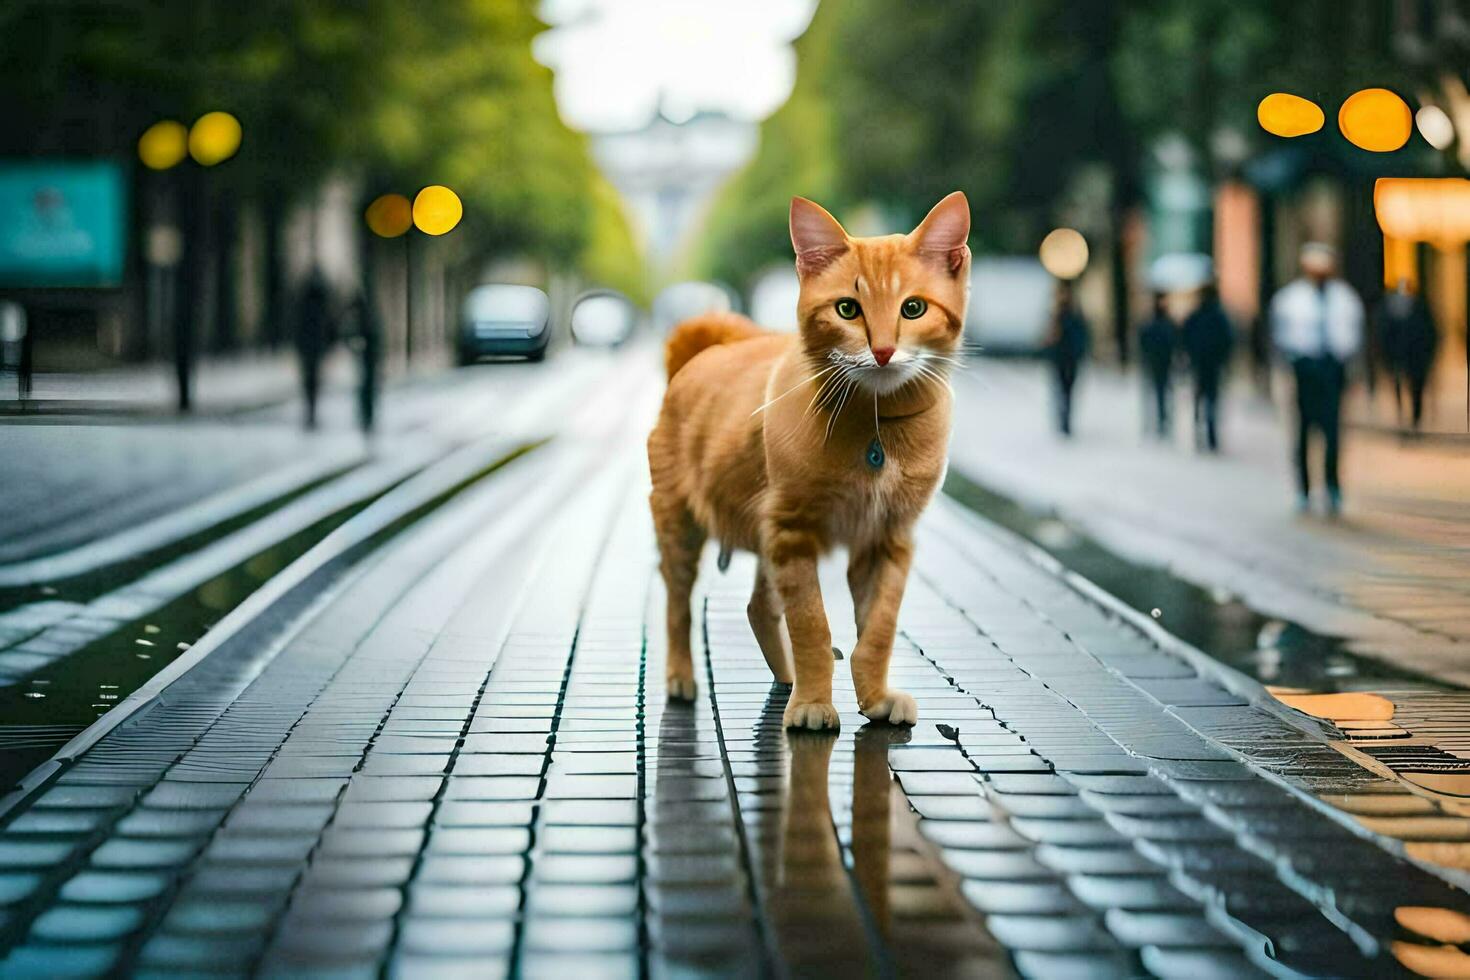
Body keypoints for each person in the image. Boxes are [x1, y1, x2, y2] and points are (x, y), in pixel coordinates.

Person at [1270, 242, 1363, 515]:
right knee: (1303, 432)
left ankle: (1332, 487)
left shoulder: (1344, 298)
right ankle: (1304, 489)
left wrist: (1349, 366)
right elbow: (1281, 336)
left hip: (1333, 369)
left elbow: (1353, 335)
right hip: (1305, 369)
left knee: (1333, 432)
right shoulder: (1291, 299)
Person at [1376, 277, 1437, 432]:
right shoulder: (1390, 310)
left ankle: (1415, 418)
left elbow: (1430, 333)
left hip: (1416, 356)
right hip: (1398, 356)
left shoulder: (1420, 308)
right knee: (1399, 385)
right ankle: (1402, 415)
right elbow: (1383, 335)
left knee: (1416, 388)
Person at [1182, 283, 1234, 452]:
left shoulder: (1196, 316)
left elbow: (1185, 336)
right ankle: (1211, 435)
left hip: (1200, 363)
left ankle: (1199, 431)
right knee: (1211, 398)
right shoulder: (1219, 317)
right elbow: (1228, 339)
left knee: (1200, 398)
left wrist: (1190, 355)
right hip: (1213, 364)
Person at [1045, 280, 1090, 436]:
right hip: (1060, 359)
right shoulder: (1055, 316)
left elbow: (1081, 338)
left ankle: (1066, 421)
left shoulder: (1075, 316)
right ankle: (1062, 421)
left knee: (1068, 391)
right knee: (1060, 391)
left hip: (1070, 360)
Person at [294, 270, 334, 431]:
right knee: (313, 384)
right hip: (314, 351)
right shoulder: (320, 309)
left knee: (310, 384)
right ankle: (311, 414)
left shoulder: (305, 307)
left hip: (309, 351)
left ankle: (310, 414)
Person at [1137, 293, 1176, 438]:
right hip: (1153, 364)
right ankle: (1154, 422)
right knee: (1154, 394)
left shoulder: (1167, 324)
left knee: (1162, 394)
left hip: (1164, 365)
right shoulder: (1152, 324)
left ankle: (1162, 421)